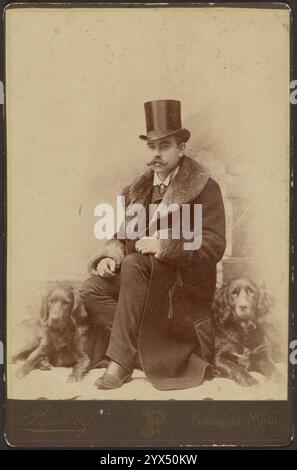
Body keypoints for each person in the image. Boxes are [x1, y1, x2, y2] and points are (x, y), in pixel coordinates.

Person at [83, 99, 226, 390]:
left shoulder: (204, 187)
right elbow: (123, 237)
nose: (156, 154)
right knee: (92, 288)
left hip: (180, 286)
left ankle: (120, 363)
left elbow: (214, 246)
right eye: (151, 147)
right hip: (143, 285)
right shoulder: (137, 189)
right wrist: (111, 256)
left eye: (164, 146)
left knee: (135, 264)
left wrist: (165, 245)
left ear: (181, 148)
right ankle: (147, 348)